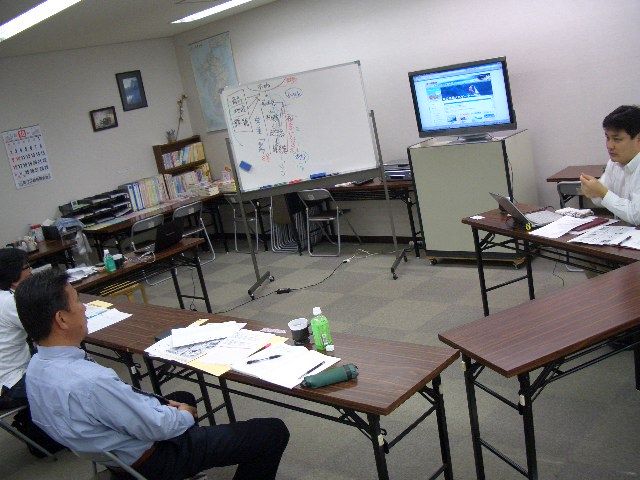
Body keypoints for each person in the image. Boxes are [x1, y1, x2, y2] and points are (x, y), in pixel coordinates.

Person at [15, 271, 289, 480]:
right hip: (152, 460)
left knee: (181, 396)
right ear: (62, 319)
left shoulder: (36, 368)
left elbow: (118, 407)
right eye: (77, 301)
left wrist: (163, 406)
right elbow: (158, 427)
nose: (85, 307)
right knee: (272, 431)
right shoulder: (89, 382)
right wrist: (183, 416)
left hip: (112, 454)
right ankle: (189, 456)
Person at [580, 105, 640, 225]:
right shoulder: (614, 163)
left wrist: (602, 192)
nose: (609, 146)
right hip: (624, 232)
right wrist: (592, 191)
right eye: (607, 138)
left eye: (617, 139)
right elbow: (602, 199)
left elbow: (636, 215)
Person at [0, 248, 32, 409]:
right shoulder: (8, 302)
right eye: (27, 266)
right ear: (13, 276)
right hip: (11, 383)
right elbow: (46, 327)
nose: (31, 270)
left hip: (6, 375)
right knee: (68, 377)